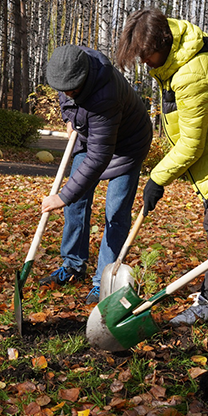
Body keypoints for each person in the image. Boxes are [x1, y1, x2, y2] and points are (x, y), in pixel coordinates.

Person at [116, 9, 208, 325]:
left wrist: (157, 178)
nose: (144, 62)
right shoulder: (177, 58)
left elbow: (191, 145)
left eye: (146, 55)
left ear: (163, 43)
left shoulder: (191, 73)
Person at [39, 45, 153, 303]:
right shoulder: (68, 66)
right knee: (77, 202)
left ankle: (103, 281)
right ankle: (73, 266)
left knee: (115, 211)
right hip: (92, 136)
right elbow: (67, 99)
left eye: (71, 89)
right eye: (62, 88)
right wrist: (71, 119)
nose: (66, 93)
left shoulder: (105, 94)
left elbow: (99, 157)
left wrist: (62, 196)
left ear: (84, 79)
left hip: (127, 146)